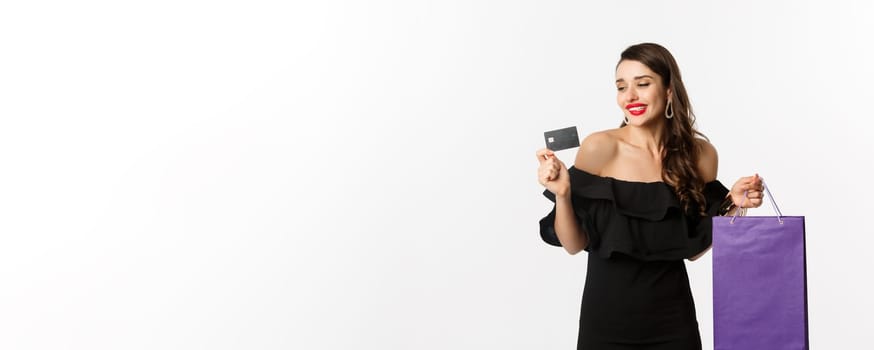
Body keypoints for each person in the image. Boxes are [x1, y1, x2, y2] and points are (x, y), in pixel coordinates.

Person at [535, 43, 764, 350]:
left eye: (642, 84)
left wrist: (734, 204)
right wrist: (562, 194)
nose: (630, 96)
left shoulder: (701, 155)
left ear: (669, 90)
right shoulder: (599, 147)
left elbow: (693, 248)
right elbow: (574, 245)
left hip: (673, 320)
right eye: (621, 87)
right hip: (606, 321)